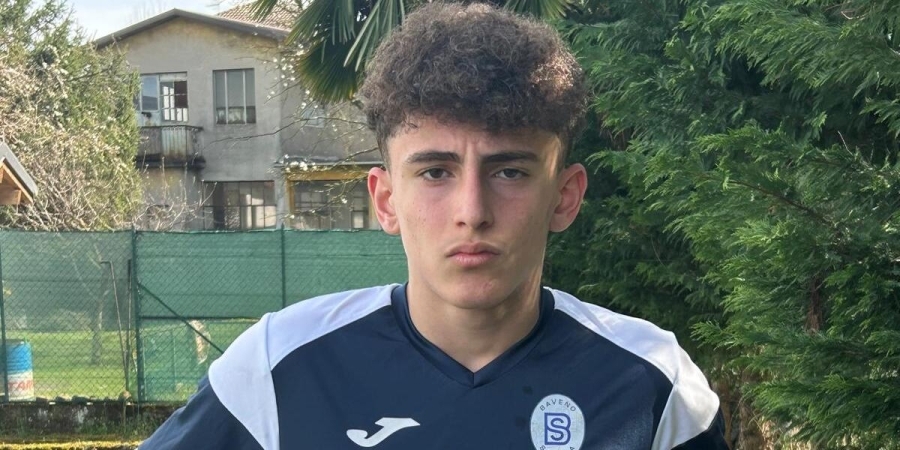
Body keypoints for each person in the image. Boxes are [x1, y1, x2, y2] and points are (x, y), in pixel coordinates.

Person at [139, 3, 728, 449]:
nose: (472, 210)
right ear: (386, 199)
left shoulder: (656, 385)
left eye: (511, 171)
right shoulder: (276, 368)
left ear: (565, 196)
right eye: (435, 172)